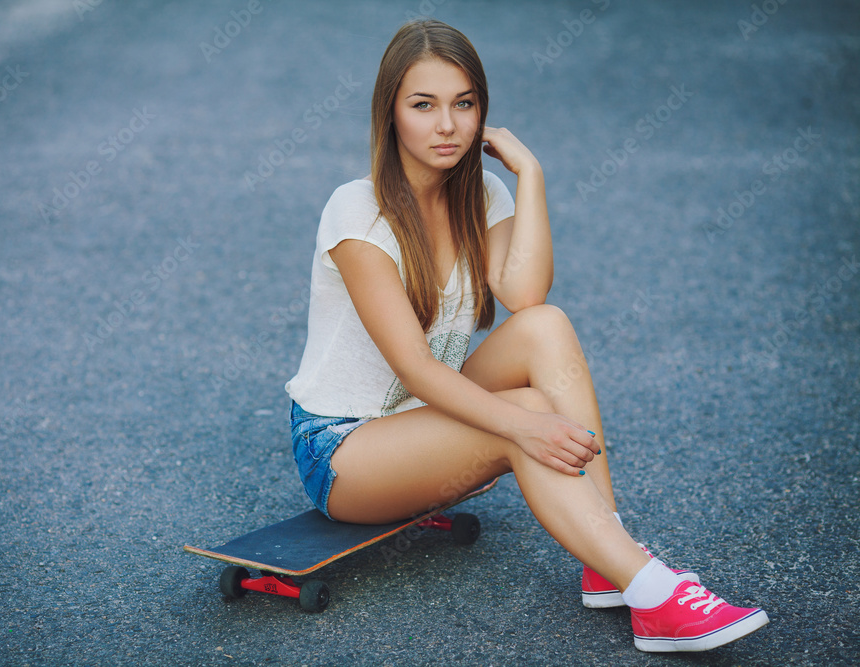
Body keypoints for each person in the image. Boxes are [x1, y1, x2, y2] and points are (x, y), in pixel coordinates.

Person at [285, 18, 768, 653]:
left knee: (547, 326)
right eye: (423, 105)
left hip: (427, 415)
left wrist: (529, 173)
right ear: (390, 113)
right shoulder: (357, 210)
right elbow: (416, 367)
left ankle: (609, 556)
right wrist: (524, 427)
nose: (447, 125)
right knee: (528, 411)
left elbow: (525, 296)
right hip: (343, 451)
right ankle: (653, 595)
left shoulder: (479, 194)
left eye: (463, 104)